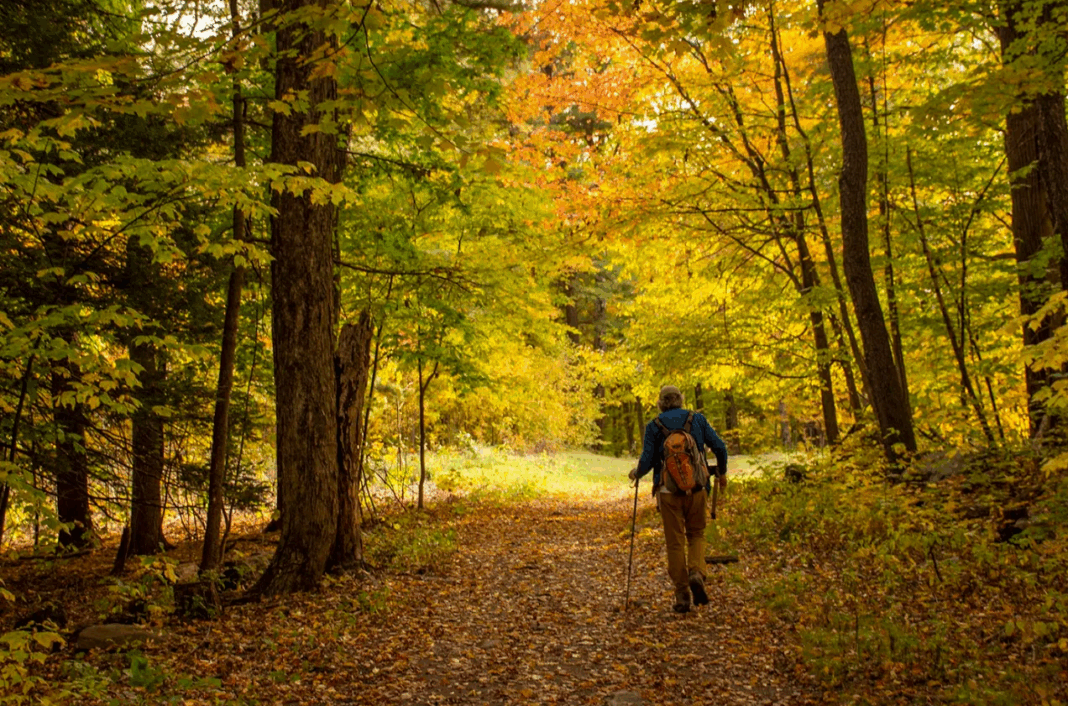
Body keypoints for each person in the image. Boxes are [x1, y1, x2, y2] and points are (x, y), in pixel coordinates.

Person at [629, 385, 729, 613]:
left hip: (667, 493)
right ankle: (696, 571)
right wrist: (722, 474)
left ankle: (682, 594)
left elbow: (646, 460)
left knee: (675, 542)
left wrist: (636, 473)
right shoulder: (698, 419)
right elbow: (720, 447)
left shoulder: (654, 426)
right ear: (681, 400)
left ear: (660, 403)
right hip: (698, 489)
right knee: (696, 535)